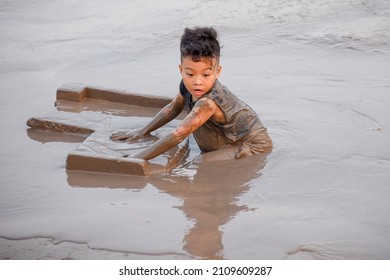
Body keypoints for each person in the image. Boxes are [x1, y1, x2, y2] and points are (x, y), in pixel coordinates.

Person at [111, 27, 272, 160]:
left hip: (253, 143)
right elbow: (173, 108)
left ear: (218, 72)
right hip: (230, 135)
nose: (197, 81)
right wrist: (142, 131)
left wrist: (136, 157)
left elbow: (178, 134)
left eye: (206, 75)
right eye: (190, 74)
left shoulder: (208, 103)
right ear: (181, 70)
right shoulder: (187, 86)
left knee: (202, 162)